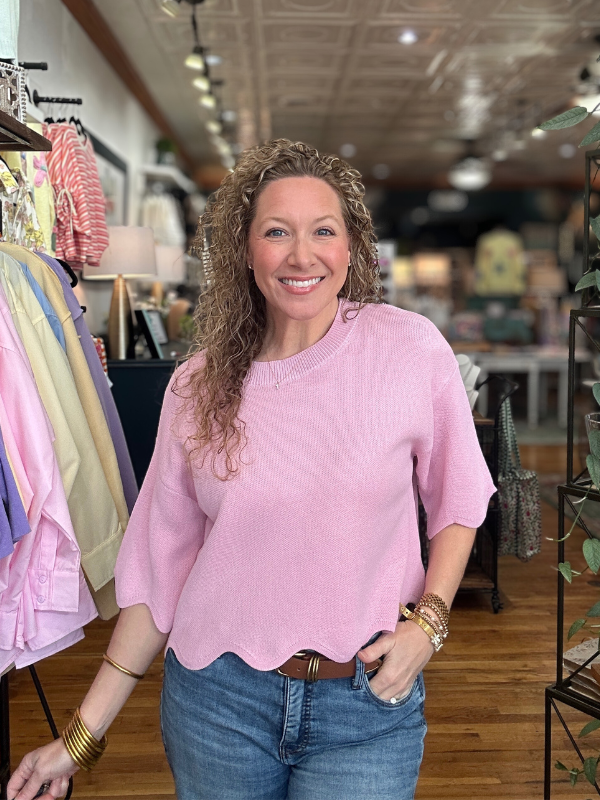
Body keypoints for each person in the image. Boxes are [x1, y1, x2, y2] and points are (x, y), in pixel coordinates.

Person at [8, 139, 495, 800]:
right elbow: (160, 576)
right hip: (216, 704)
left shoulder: (409, 350)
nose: (301, 254)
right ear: (245, 250)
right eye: (277, 232)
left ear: (350, 249)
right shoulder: (197, 385)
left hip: (366, 703)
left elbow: (459, 498)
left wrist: (429, 625)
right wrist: (79, 740)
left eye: (323, 231)